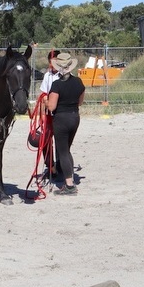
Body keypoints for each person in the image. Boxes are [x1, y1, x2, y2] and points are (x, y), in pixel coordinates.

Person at [47, 52, 85, 195]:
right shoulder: (79, 82)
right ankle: (70, 179)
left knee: (62, 151)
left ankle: (69, 185)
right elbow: (80, 102)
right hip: (75, 117)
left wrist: (45, 101)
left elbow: (52, 107)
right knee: (67, 149)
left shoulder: (57, 85)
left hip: (61, 119)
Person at [39, 49, 61, 176]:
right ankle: (50, 165)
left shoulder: (66, 76)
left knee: (61, 141)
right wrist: (42, 116)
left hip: (60, 114)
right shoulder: (47, 76)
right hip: (49, 114)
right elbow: (43, 96)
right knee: (46, 140)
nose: (53, 64)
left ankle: (60, 165)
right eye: (51, 62)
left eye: (56, 61)